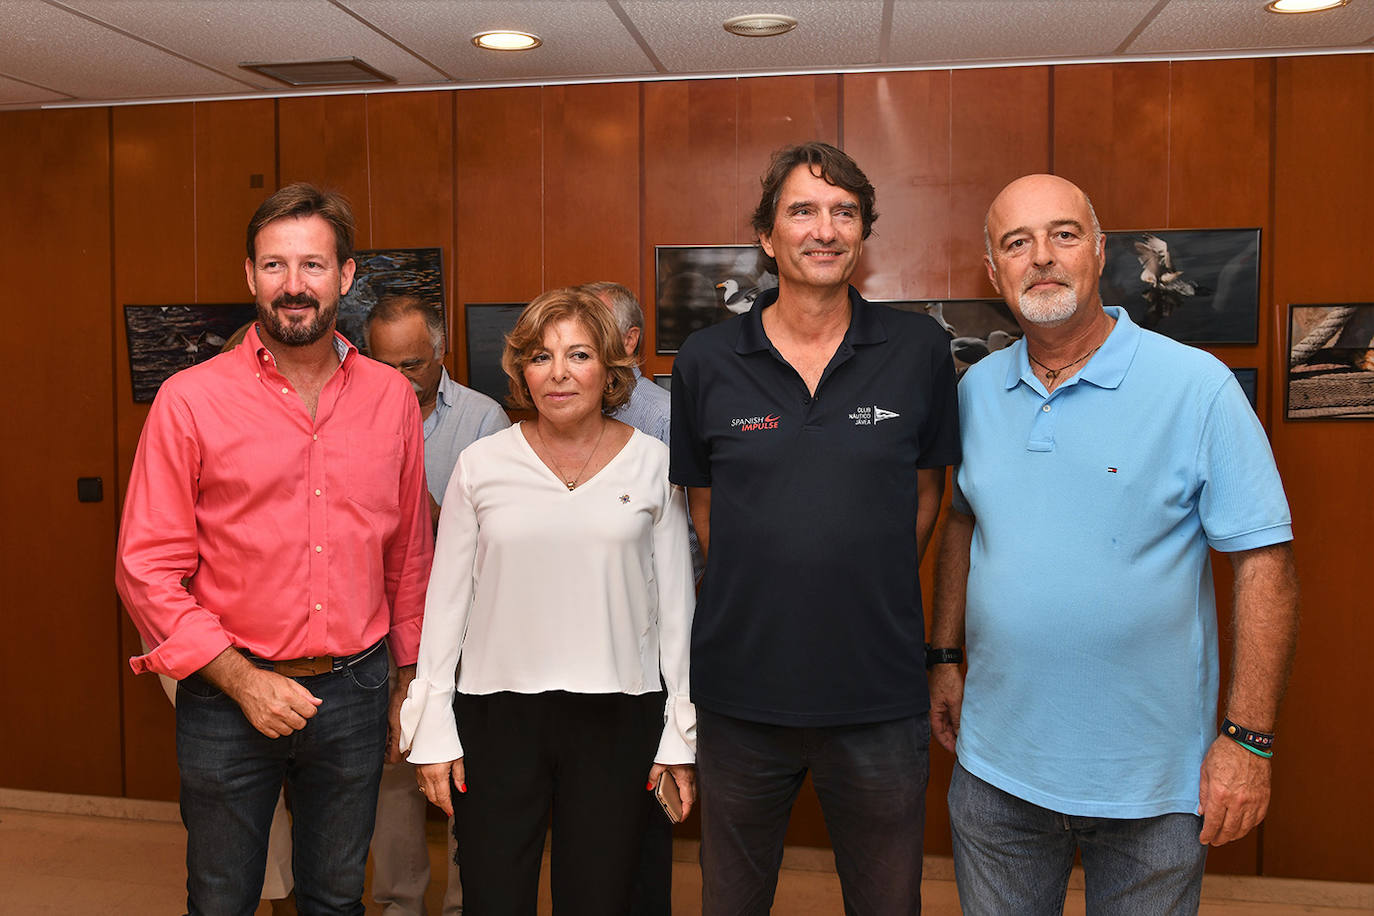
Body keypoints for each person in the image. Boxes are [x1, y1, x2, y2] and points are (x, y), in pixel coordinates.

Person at [929, 173, 1300, 915]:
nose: (1041, 257)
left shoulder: (1198, 388)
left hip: (1155, 786)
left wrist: (1249, 741)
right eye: (1017, 242)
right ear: (992, 269)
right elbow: (962, 522)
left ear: (1100, 253)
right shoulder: (974, 393)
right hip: (997, 773)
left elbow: (1266, 565)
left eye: (1063, 235)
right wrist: (942, 656)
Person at [116, 182, 434, 914]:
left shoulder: (391, 399)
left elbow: (409, 553)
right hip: (226, 696)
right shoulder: (189, 400)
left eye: (314, 266)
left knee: (334, 896)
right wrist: (242, 681)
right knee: (222, 897)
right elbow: (146, 568)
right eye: (275, 266)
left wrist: (408, 680)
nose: (294, 286)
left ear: (346, 276)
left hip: (354, 693)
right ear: (250, 276)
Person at [670, 141, 960, 914]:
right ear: (768, 236)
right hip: (740, 694)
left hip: (878, 691)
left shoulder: (919, 351)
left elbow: (927, 497)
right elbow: (705, 509)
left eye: (844, 212)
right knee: (732, 901)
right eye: (802, 210)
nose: (824, 229)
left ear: (864, 233)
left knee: (887, 901)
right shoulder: (705, 360)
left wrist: (860, 571)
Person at [400, 287, 696, 915]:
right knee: (493, 895)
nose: (559, 373)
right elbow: (446, 604)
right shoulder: (481, 465)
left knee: (602, 898)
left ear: (610, 368)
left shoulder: (654, 464)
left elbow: (676, 613)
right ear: (521, 372)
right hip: (495, 718)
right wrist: (433, 727)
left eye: (579, 355)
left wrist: (679, 736)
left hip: (621, 716)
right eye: (540, 357)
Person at [363, 294, 510, 915]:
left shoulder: (484, 420)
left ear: (441, 352)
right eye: (386, 365)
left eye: (414, 365)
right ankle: (399, 904)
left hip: (468, 632)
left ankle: (461, 906)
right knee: (393, 779)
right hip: (380, 626)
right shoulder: (355, 415)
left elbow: (504, 536)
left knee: (465, 780)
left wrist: (426, 516)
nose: (399, 379)